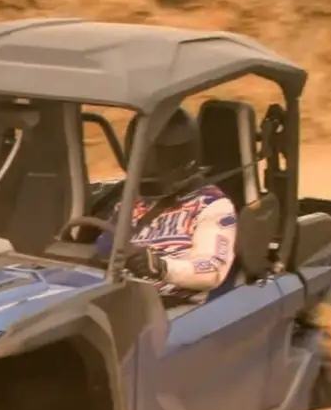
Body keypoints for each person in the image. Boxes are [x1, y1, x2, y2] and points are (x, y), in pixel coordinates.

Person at [96, 108, 238, 304]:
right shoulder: (130, 202)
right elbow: (102, 252)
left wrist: (160, 267)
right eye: (142, 157)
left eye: (154, 158)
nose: (147, 164)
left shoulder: (214, 206)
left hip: (172, 307)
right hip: (122, 298)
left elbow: (212, 270)